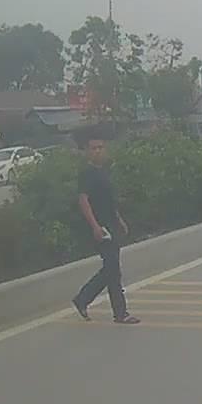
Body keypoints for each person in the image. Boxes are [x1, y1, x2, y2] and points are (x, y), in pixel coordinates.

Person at [72, 136, 140, 324]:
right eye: (94, 148)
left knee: (110, 270)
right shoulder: (87, 174)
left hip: (111, 225)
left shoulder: (103, 172)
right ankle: (120, 313)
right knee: (113, 270)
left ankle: (82, 299)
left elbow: (109, 200)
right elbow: (83, 201)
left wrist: (119, 219)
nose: (98, 151)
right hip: (100, 227)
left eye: (101, 147)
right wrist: (94, 226)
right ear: (87, 151)